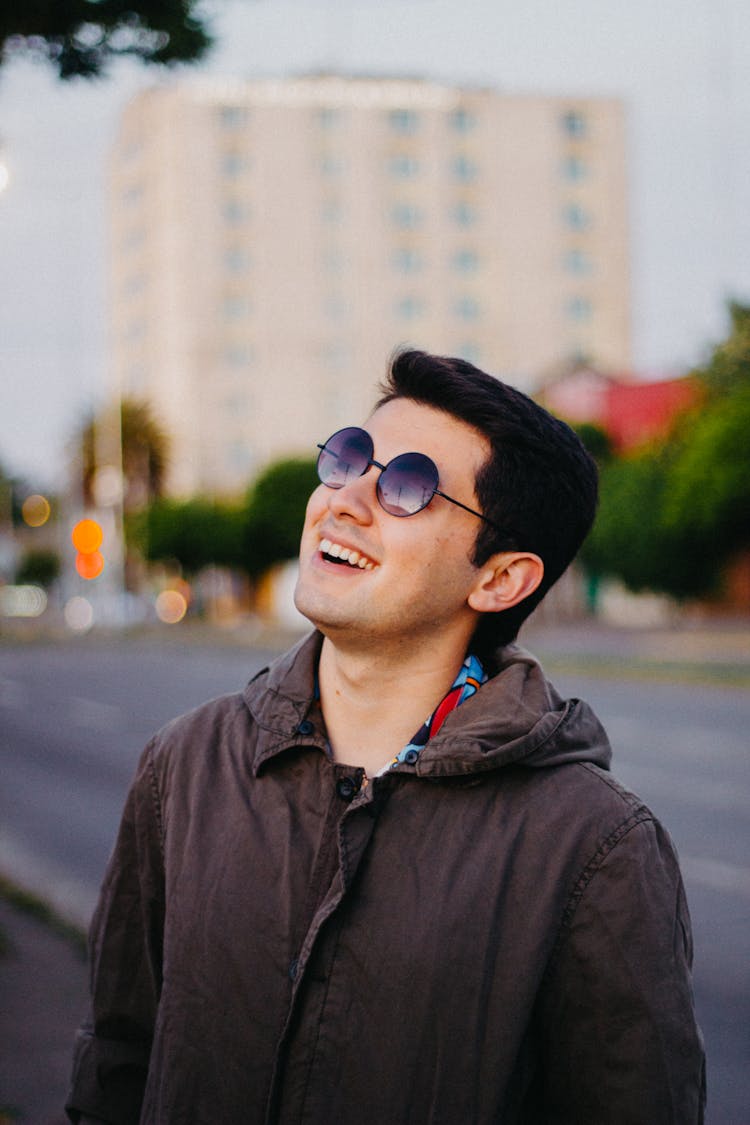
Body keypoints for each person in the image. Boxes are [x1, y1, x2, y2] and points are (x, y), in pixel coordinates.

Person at [67, 349, 705, 1124]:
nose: (344, 500)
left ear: (500, 578)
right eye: (348, 459)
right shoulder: (185, 765)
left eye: (407, 487)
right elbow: (115, 1069)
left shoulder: (596, 846)